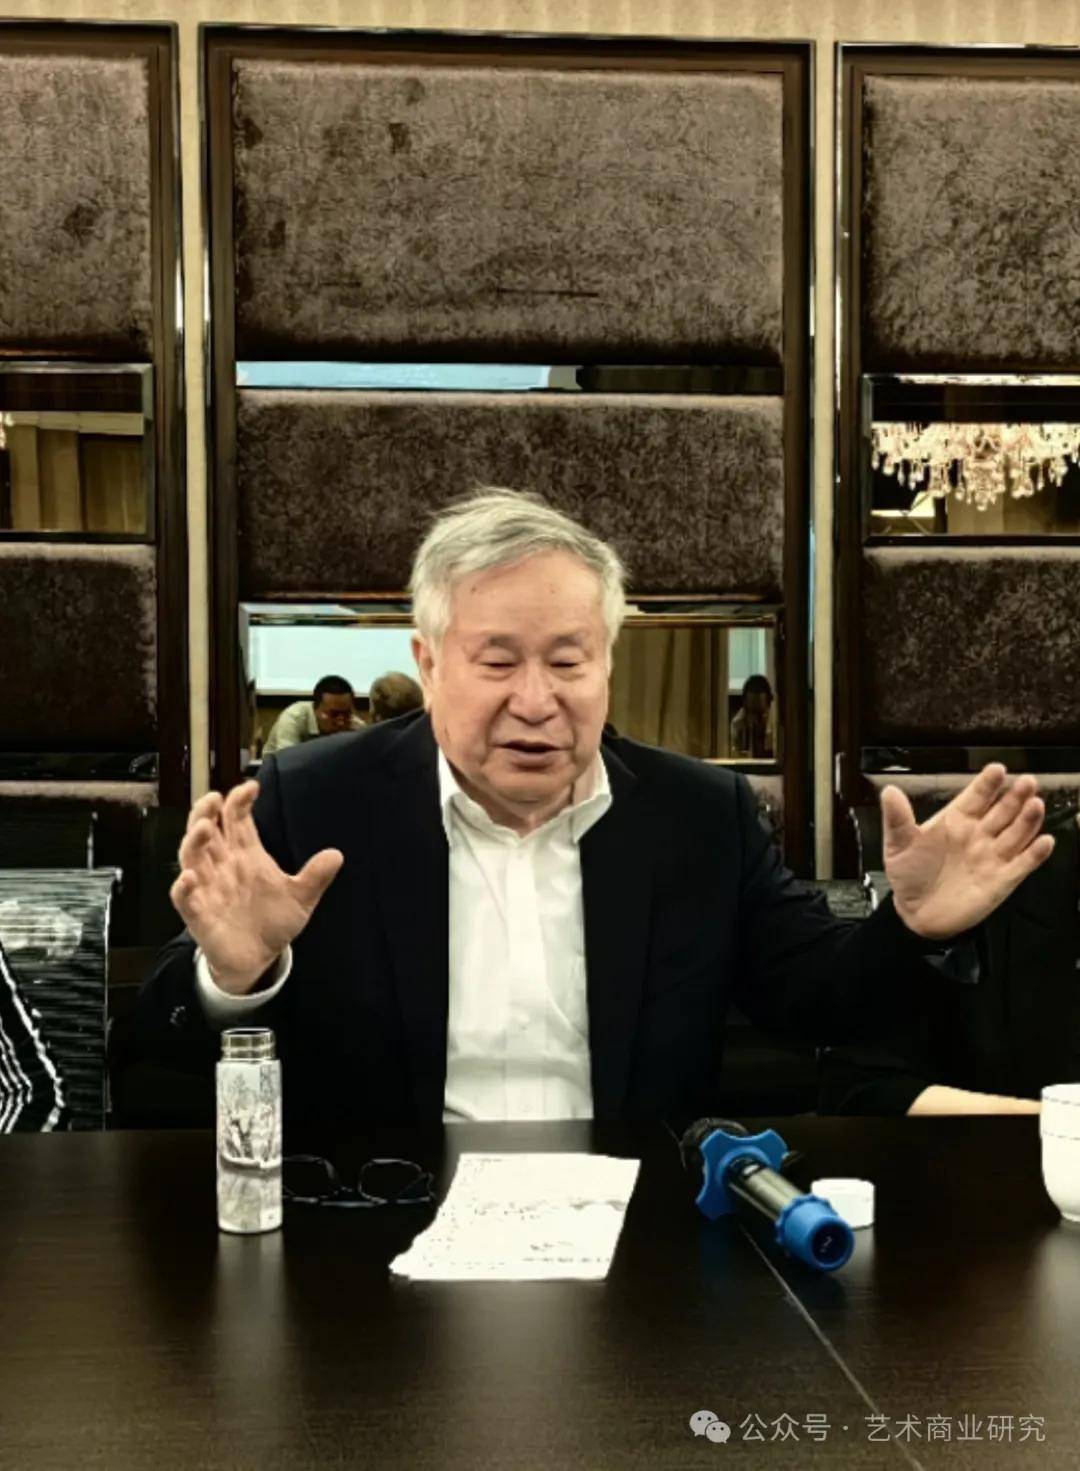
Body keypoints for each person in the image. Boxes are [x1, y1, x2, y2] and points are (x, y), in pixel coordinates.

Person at [137, 489, 1053, 1133]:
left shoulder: (699, 816)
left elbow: (818, 1000)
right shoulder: (316, 800)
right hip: (378, 1235)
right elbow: (151, 1057)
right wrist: (237, 974)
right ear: (429, 663)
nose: (536, 701)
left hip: (640, 1241)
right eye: (498, 661)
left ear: (608, 663)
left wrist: (911, 926)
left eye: (569, 661)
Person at [261, 674, 362, 756]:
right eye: (334, 714)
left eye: (347, 714)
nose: (341, 722)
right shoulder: (293, 719)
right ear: (315, 709)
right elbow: (287, 763)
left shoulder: (357, 728)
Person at [729, 674, 776, 758]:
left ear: (768, 705)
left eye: (760, 713)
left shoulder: (776, 722)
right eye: (752, 712)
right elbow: (735, 754)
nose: (756, 719)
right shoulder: (738, 722)